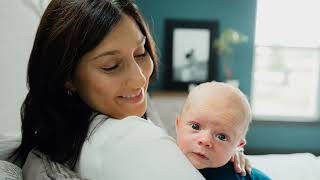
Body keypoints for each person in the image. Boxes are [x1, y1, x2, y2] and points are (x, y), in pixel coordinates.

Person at [9, 0, 250, 179]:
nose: (139, 79)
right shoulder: (131, 139)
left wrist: (223, 160)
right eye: (111, 66)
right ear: (67, 76)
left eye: (141, 52)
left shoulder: (62, 136)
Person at [175, 82, 271, 179]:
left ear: (238, 145)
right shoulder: (164, 156)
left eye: (221, 137)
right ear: (178, 125)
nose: (205, 141)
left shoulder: (244, 175)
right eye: (195, 126)